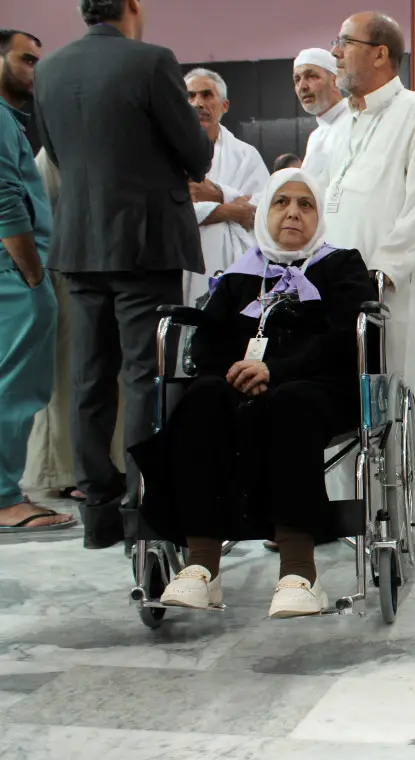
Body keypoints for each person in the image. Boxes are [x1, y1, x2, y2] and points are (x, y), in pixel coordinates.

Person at [134, 168, 377, 618]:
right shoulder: (240, 274)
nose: (292, 213)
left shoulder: (342, 265)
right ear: (264, 212)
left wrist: (275, 370)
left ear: (320, 215)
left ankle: (299, 571)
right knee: (202, 399)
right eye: (281, 202)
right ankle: (201, 565)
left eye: (305, 204)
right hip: (240, 386)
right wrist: (239, 372)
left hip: (317, 388)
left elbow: (343, 338)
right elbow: (207, 341)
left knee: (287, 404)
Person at [34, 0, 214, 549]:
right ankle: (146, 505)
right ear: (132, 6)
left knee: (89, 379)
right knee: (145, 377)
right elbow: (197, 156)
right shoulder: (152, 61)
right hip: (143, 243)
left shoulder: (49, 70)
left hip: (80, 242)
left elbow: (59, 155)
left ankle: (100, 511)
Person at [323, 12, 415, 536]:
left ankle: (406, 519)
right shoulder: (343, 124)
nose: (335, 53)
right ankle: (348, 514)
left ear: (380, 53)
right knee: (344, 403)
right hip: (338, 292)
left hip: (393, 291)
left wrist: (383, 272)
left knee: (400, 399)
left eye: (344, 42)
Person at [0, 29, 74, 533]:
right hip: (14, 273)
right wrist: (31, 273)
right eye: (27, 59)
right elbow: (6, 198)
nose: (35, 70)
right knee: (15, 387)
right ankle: (5, 498)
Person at [186, 68, 269, 305]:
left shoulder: (245, 155)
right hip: (184, 264)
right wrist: (230, 209)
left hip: (235, 264)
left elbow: (264, 207)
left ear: (225, 105)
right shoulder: (166, 154)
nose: (198, 103)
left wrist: (219, 193)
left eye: (206, 95)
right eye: (190, 96)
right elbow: (171, 210)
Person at [294, 47, 347, 183]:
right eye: (297, 79)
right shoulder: (315, 137)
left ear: (335, 81)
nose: (302, 87)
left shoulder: (355, 121)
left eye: (311, 76)